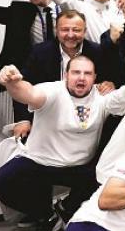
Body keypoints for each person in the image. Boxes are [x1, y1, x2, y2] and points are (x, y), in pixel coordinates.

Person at [0, 57, 125, 231]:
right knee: (2, 183)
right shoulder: (52, 91)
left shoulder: (100, 100)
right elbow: (30, 94)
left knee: (105, 176)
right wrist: (12, 83)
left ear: (95, 78)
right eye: (76, 72)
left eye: (87, 73)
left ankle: (64, 209)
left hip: (78, 168)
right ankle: (46, 216)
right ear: (66, 75)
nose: (81, 78)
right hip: (39, 162)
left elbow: (117, 100)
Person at [12, 10, 113, 139]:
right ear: (56, 30)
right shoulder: (40, 52)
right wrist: (23, 120)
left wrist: (110, 84)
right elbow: (22, 85)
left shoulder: (98, 52)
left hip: (84, 120)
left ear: (85, 31)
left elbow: (110, 79)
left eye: (76, 30)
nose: (70, 35)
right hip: (47, 116)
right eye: (65, 30)